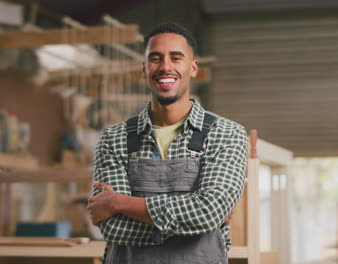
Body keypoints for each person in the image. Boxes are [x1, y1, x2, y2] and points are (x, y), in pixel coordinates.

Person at [87, 22, 248, 264]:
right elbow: (113, 227)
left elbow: (208, 212)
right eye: (155, 59)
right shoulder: (114, 138)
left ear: (193, 68)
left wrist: (119, 202)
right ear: (144, 68)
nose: (165, 67)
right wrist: (196, 226)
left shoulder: (226, 134)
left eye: (175, 58)